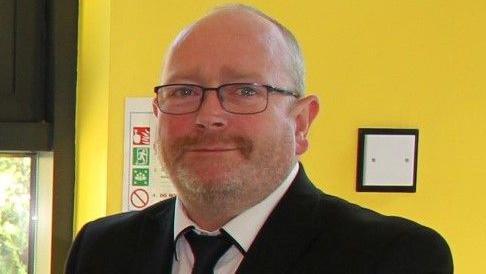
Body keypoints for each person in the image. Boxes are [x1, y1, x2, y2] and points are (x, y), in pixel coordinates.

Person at [66, 4, 453, 274]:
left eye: (245, 91)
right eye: (184, 91)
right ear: (157, 115)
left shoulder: (392, 258)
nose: (209, 116)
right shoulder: (102, 249)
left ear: (301, 123)